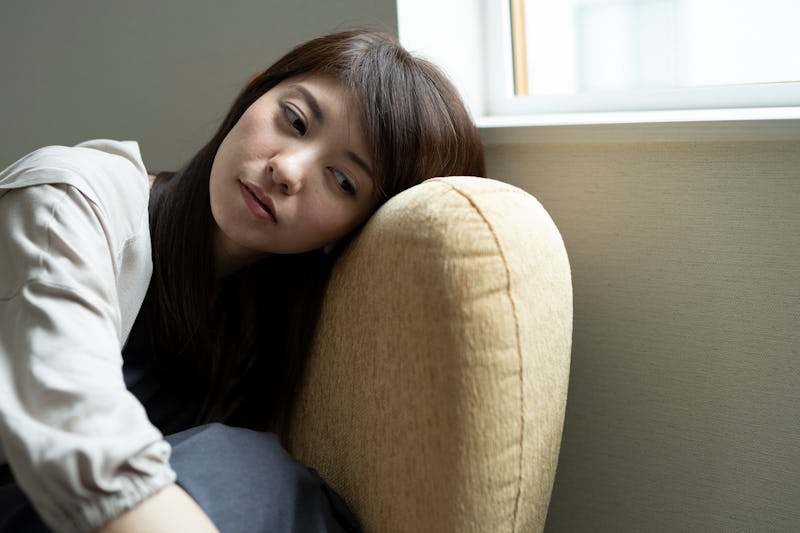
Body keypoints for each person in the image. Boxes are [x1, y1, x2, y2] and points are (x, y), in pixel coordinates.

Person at [0, 29, 485, 533]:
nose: (287, 170)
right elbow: (78, 443)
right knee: (249, 469)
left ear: (347, 235)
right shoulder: (66, 201)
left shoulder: (266, 327)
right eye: (294, 121)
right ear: (250, 97)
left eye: (342, 181)